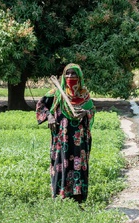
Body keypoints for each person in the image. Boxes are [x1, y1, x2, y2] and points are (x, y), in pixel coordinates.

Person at [36, 63, 95, 203]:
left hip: (78, 141)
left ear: (79, 76)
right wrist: (49, 116)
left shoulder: (84, 95)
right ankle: (60, 197)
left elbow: (92, 111)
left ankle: (78, 199)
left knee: (78, 166)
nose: (70, 76)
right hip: (61, 140)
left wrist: (86, 113)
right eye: (67, 73)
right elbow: (40, 106)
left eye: (73, 74)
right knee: (61, 164)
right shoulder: (56, 93)